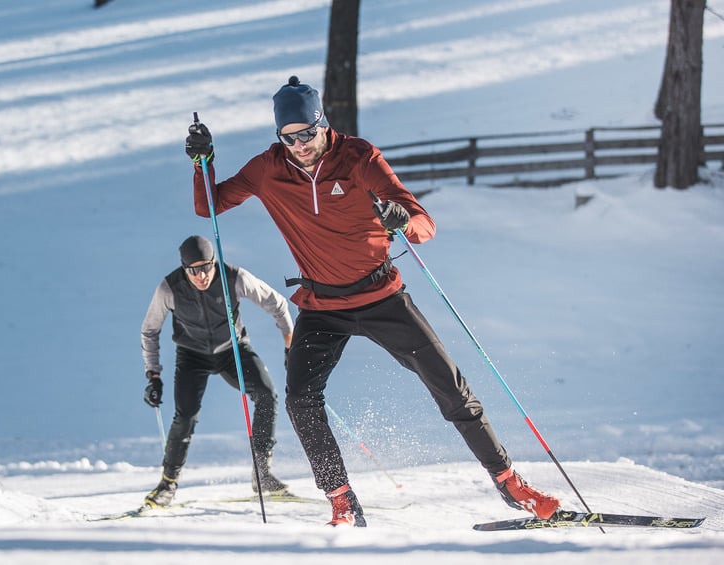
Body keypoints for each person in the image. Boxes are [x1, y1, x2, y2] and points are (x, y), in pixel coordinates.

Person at [184, 76, 560, 527]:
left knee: (448, 384)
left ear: (323, 124)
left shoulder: (358, 158)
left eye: (307, 133)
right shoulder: (269, 167)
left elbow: (424, 225)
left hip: (382, 296)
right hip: (322, 306)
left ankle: (508, 480)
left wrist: (402, 219)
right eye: (289, 137)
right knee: (300, 398)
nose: (300, 144)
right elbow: (211, 205)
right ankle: (341, 498)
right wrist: (202, 162)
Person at [140, 235, 295, 508]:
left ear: (215, 262)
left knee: (267, 394)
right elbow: (149, 331)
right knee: (185, 416)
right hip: (192, 355)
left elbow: (278, 304)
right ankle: (167, 483)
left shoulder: (235, 278)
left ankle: (262, 473)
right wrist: (153, 374)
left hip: (232, 350)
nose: (201, 276)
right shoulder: (169, 288)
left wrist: (289, 348)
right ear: (184, 269)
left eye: (206, 267)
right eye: (193, 270)